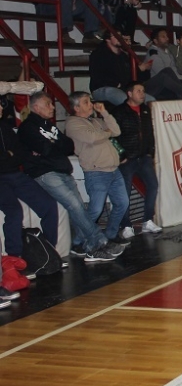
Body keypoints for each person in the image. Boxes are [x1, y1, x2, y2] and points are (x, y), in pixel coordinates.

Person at [18, 92, 124, 262]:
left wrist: (54, 146)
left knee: (79, 208)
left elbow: (68, 145)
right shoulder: (28, 128)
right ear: (36, 107)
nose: (53, 107)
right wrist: (54, 146)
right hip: (44, 173)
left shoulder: (49, 126)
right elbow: (48, 148)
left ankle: (85, 245)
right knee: (75, 205)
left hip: (62, 170)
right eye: (48, 104)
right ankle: (99, 242)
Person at [0, 97, 60, 281]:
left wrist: (8, 157)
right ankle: (15, 259)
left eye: (1, 105)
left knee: (49, 205)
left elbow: (19, 153)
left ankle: (48, 251)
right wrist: (8, 156)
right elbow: (12, 156)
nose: (1, 108)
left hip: (15, 175)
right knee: (14, 212)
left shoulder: (5, 127)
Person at [65, 92, 131, 243]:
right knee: (95, 210)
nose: (91, 104)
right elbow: (92, 137)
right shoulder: (73, 123)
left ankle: (111, 235)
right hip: (96, 172)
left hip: (114, 170)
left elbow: (116, 130)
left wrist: (104, 113)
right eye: (86, 102)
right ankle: (78, 241)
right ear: (76, 107)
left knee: (122, 203)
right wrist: (105, 133)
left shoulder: (95, 121)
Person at [114, 82, 162, 237]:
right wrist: (121, 156)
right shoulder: (119, 111)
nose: (142, 94)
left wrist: (150, 152)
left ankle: (148, 220)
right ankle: (126, 225)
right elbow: (113, 136)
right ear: (129, 93)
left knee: (153, 186)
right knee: (124, 192)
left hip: (144, 157)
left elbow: (150, 133)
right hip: (128, 159)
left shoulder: (145, 110)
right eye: (139, 91)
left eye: (143, 91)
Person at [89, 33, 158, 105]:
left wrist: (144, 70)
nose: (120, 38)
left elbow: (133, 78)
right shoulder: (99, 53)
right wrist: (117, 84)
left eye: (121, 36)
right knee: (126, 100)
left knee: (151, 101)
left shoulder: (123, 56)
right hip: (102, 88)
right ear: (108, 39)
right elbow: (97, 75)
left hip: (123, 88)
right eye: (116, 36)